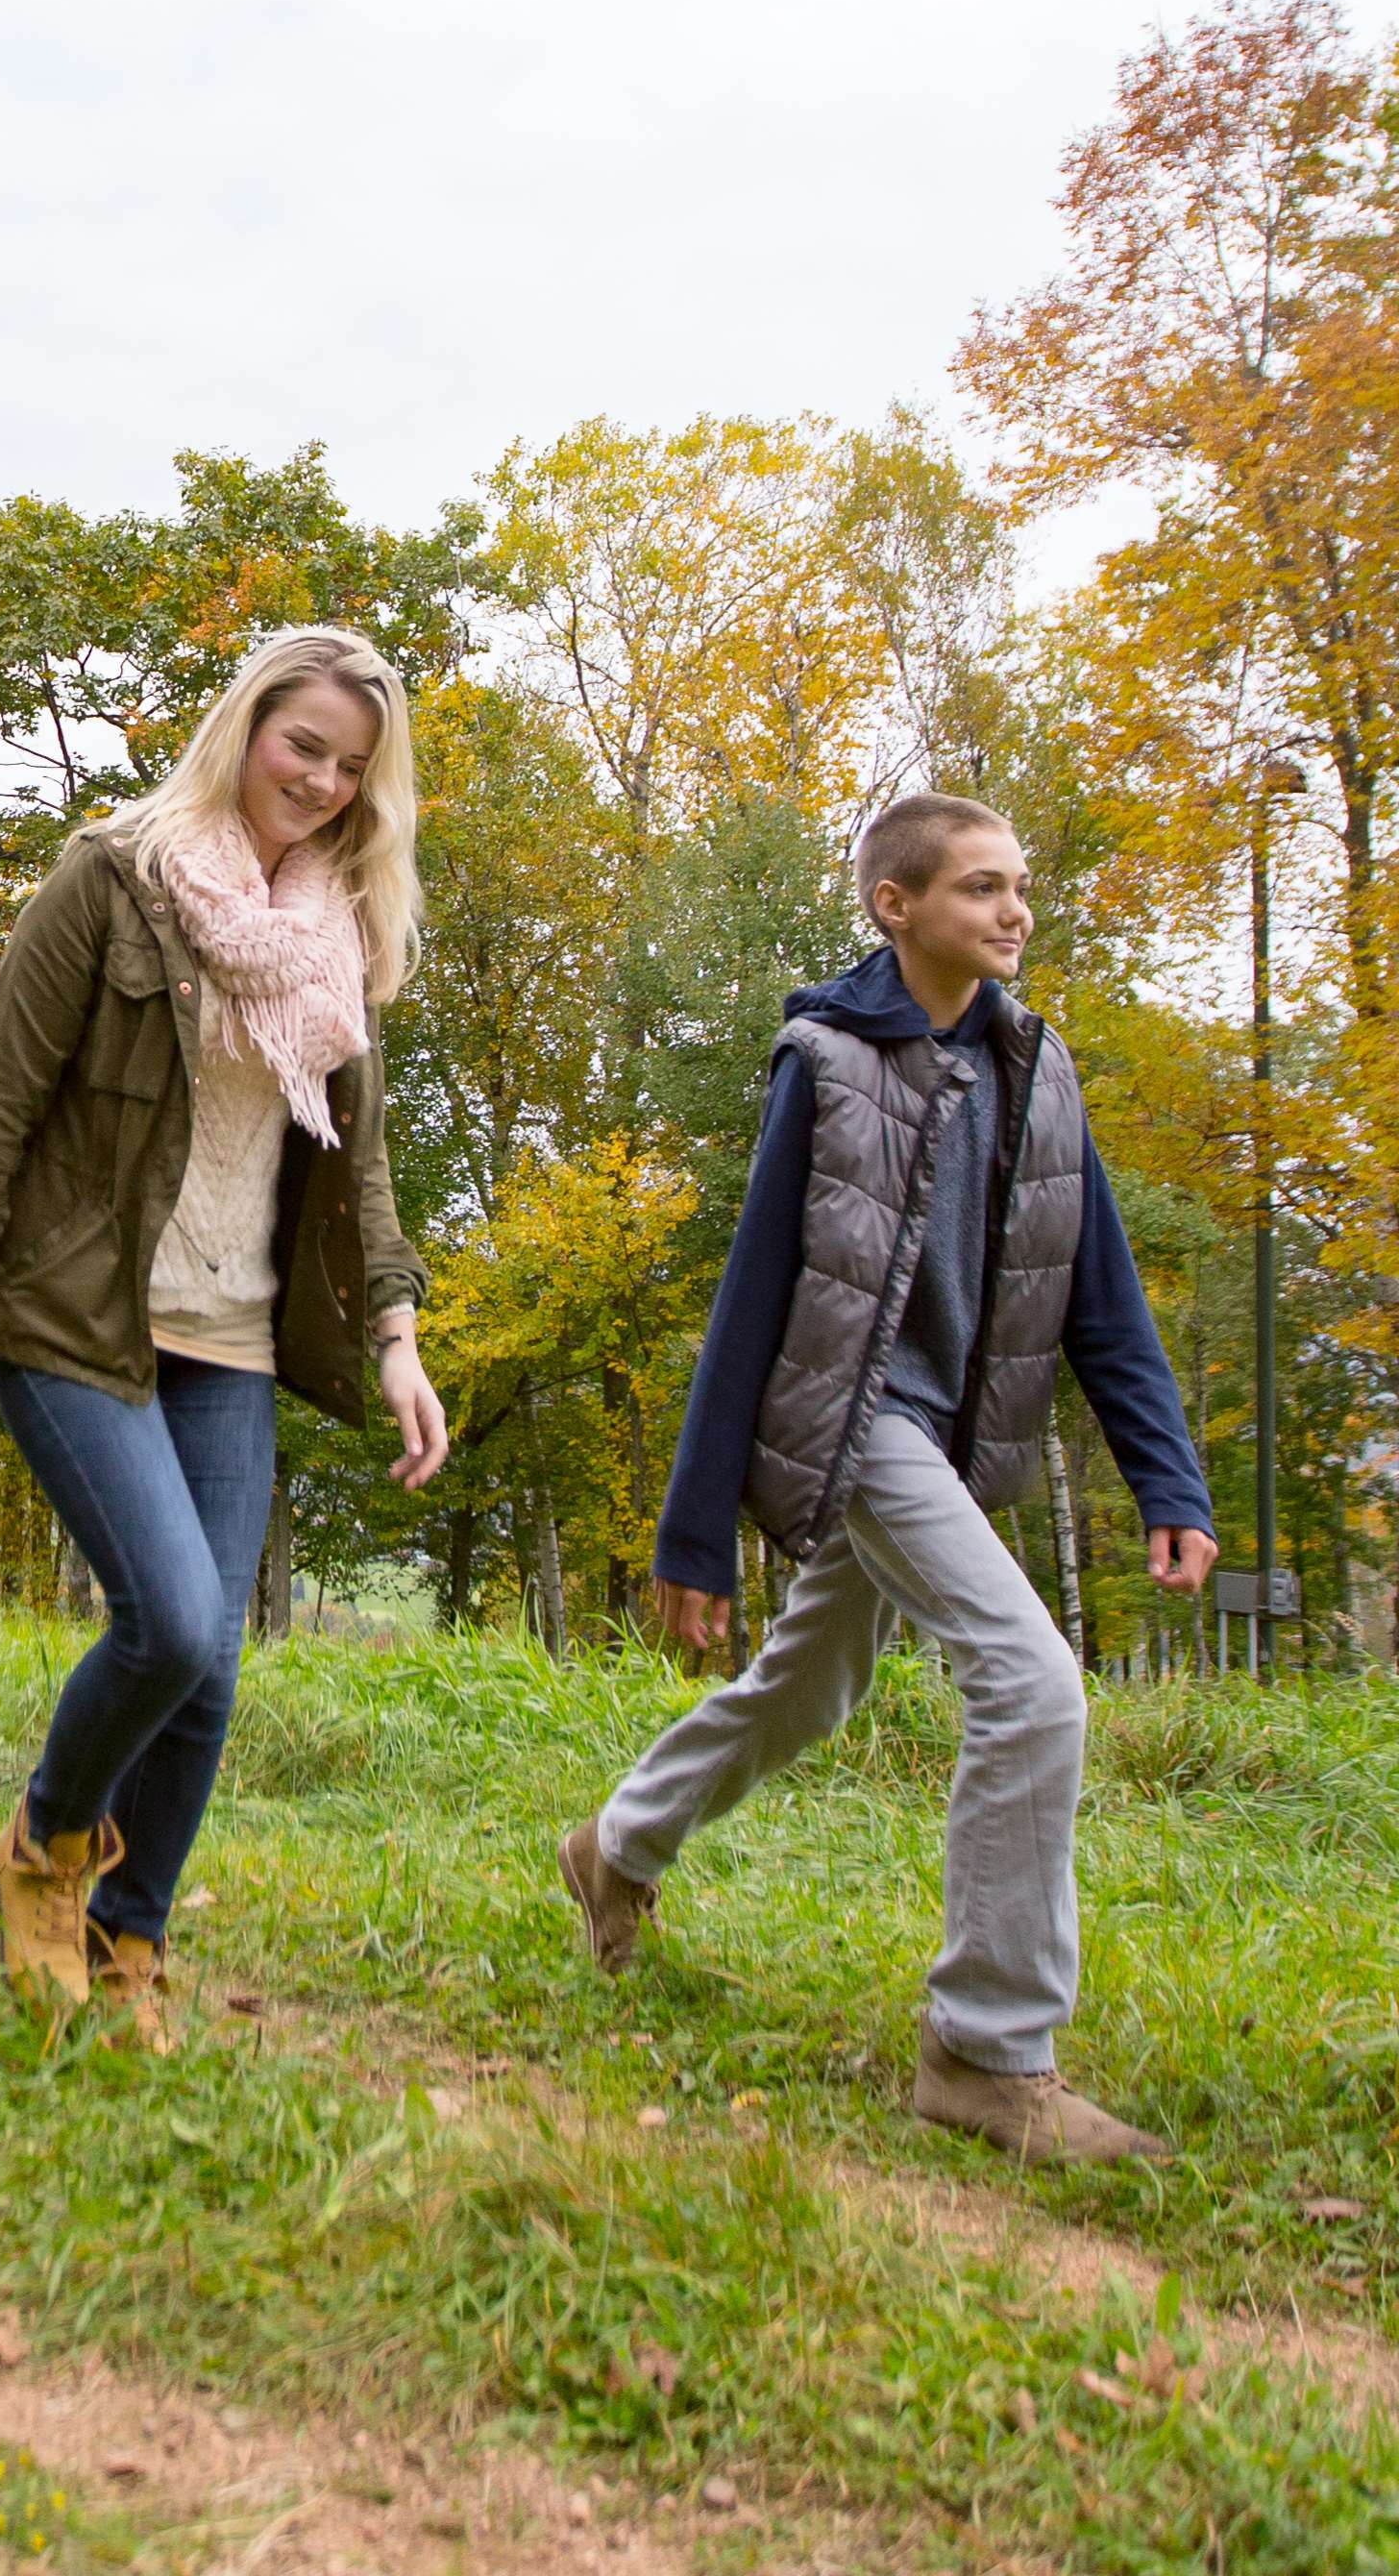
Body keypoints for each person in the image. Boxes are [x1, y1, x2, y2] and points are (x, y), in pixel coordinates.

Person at [556, 792, 1218, 2165]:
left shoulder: (1040, 1065)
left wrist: (1170, 1482)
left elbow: (1099, 1289)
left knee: (813, 1682)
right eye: (981, 888)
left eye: (1020, 887)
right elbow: (753, 1295)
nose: (1014, 911)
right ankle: (986, 2052)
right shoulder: (828, 1060)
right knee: (1033, 1685)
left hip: (954, 1446)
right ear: (895, 905)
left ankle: (619, 1842)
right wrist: (690, 1535)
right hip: (857, 1424)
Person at [0, 626, 452, 2050]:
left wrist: (395, 1334)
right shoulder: (112, 879)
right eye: (300, 745)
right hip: (80, 1309)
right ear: (244, 729)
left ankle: (131, 1948)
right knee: (174, 1621)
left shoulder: (341, 934)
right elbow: (0, 1090)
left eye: (348, 767)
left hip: (239, 1330)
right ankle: (47, 1846)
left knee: (212, 1669)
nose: (318, 781)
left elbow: (356, 1162)